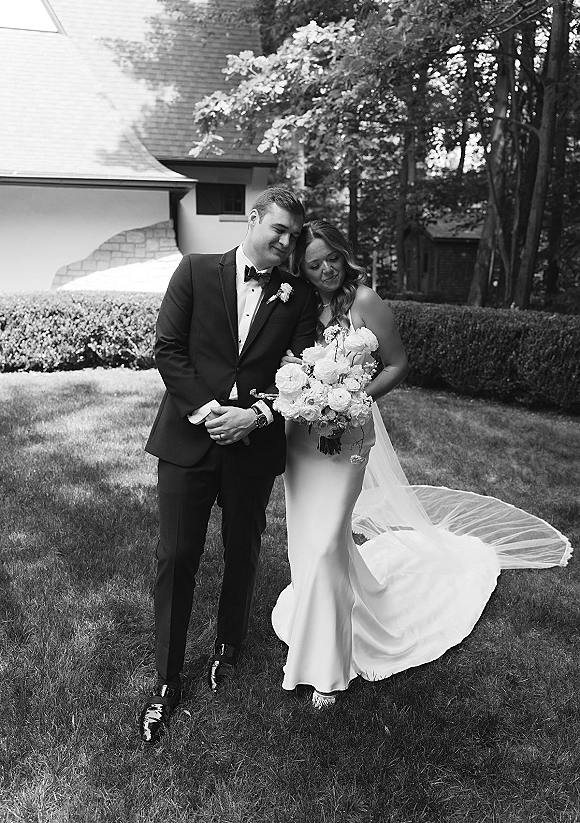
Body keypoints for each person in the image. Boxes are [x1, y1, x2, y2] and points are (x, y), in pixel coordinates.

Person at [271, 220, 572, 709]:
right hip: (302, 439)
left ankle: (327, 669)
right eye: (314, 263)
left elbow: (397, 364)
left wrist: (354, 399)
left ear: (345, 255)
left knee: (326, 543)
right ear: (300, 269)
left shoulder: (364, 300)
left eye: (332, 258)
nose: (326, 269)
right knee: (310, 545)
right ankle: (317, 621)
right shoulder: (299, 302)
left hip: (348, 435)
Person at [139, 187, 318, 743]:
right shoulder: (194, 270)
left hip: (252, 445)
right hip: (188, 439)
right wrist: (208, 411)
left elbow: (302, 375)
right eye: (279, 229)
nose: (286, 243)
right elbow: (168, 348)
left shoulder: (298, 295)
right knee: (177, 555)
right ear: (253, 218)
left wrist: (256, 416)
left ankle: (228, 646)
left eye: (293, 236)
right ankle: (167, 679)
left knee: (243, 548)